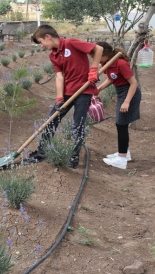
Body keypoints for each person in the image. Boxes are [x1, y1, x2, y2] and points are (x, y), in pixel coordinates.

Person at [23, 25, 103, 168]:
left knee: (78, 125)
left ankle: (73, 156)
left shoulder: (71, 43)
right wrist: (59, 98)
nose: (42, 46)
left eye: (41, 42)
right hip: (67, 92)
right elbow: (59, 76)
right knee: (51, 121)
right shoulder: (53, 55)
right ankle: (43, 152)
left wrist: (93, 70)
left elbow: (98, 49)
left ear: (48, 37)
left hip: (83, 92)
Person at [94, 42, 141, 170]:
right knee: (121, 124)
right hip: (121, 92)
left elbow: (133, 83)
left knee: (121, 124)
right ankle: (125, 153)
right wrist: (99, 88)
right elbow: (112, 78)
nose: (95, 59)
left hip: (129, 93)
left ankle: (121, 159)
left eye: (96, 56)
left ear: (105, 54)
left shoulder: (121, 63)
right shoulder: (107, 63)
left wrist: (126, 102)